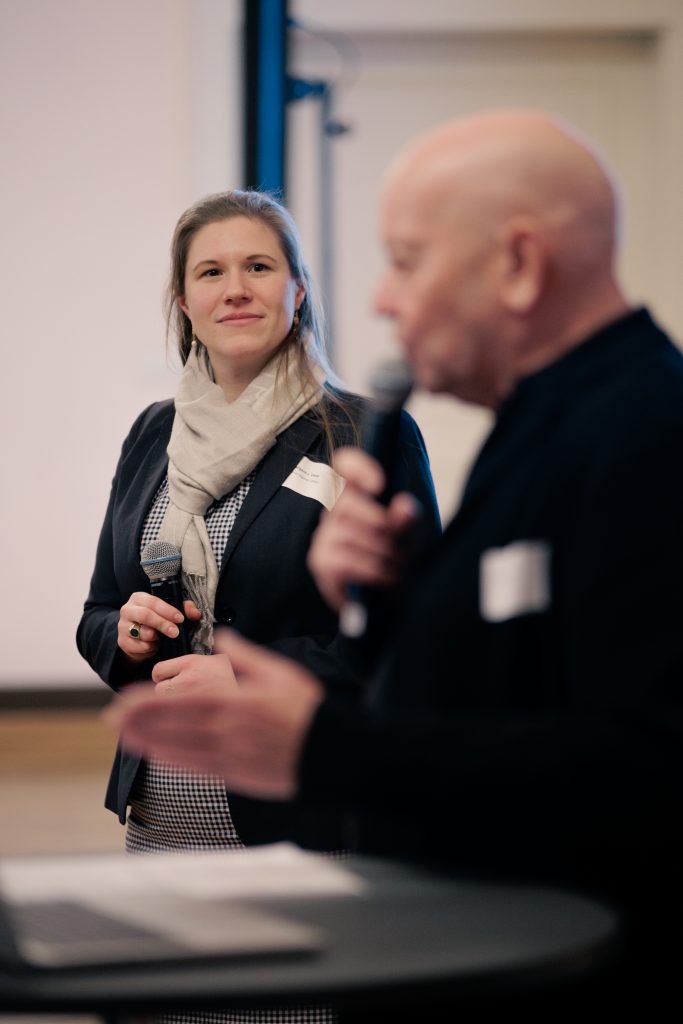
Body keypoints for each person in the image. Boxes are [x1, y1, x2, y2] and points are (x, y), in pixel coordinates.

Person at [108, 111, 683, 1008]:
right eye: (210, 273)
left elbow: (638, 769)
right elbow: (500, 686)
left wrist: (322, 740)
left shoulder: (646, 438)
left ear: (519, 264)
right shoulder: (540, 429)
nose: (382, 299)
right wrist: (386, 600)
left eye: (407, 262)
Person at [77, 188, 439, 861]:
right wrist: (125, 637)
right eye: (211, 272)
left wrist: (248, 676)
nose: (235, 289)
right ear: (185, 303)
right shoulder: (153, 434)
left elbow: (417, 636)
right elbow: (98, 612)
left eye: (259, 267)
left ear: (297, 290)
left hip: (304, 825)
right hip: (160, 822)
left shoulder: (363, 433)